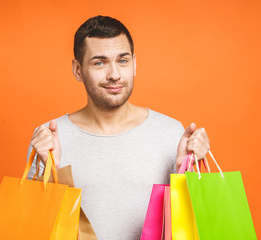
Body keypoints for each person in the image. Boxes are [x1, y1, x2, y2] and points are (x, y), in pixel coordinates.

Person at [27, 15, 210, 239]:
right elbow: (37, 228)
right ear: (77, 70)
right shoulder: (52, 136)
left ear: (134, 64)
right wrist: (50, 171)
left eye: (122, 61)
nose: (114, 74)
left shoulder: (171, 132)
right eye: (99, 62)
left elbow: (187, 227)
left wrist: (186, 171)